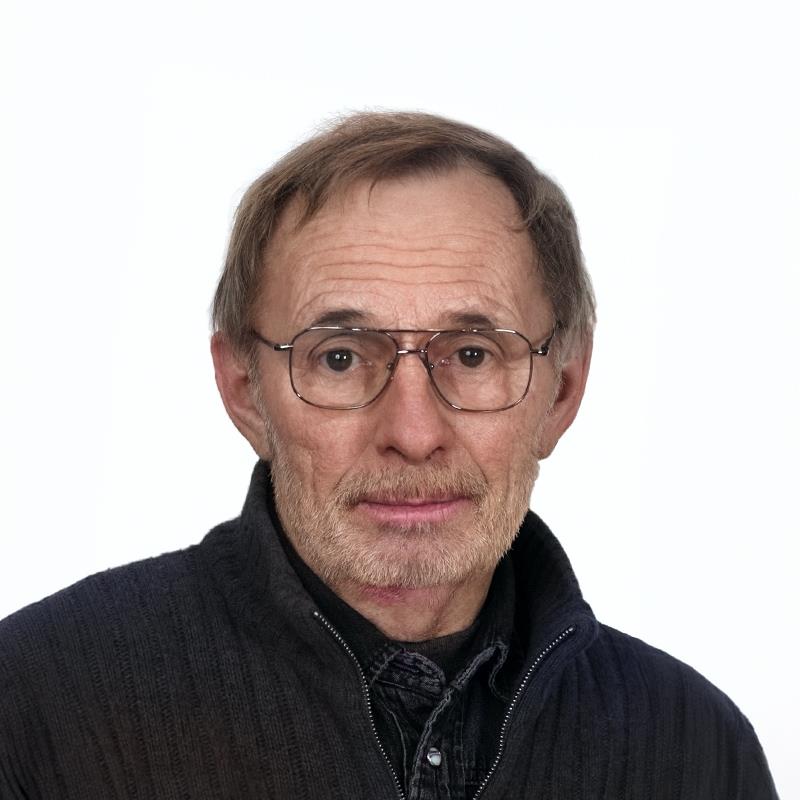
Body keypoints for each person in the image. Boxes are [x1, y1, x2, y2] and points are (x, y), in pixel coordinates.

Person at [0, 112, 778, 799]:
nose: (412, 432)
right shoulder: (38, 702)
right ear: (244, 391)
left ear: (562, 392)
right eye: (339, 357)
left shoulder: (696, 749)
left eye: (472, 355)